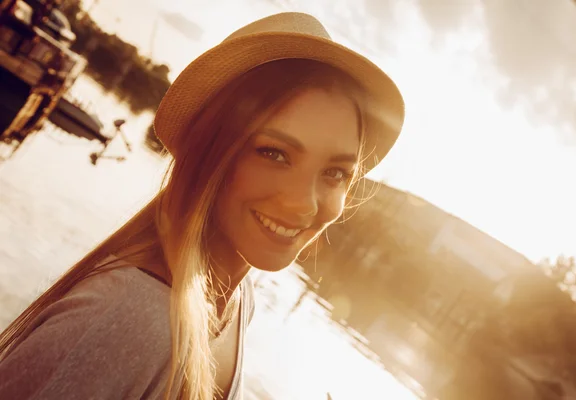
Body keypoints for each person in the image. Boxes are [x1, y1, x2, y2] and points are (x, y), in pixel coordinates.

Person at [0, 12, 404, 400]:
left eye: (335, 173)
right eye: (274, 154)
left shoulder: (236, 298)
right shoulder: (129, 321)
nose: (303, 204)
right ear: (211, 146)